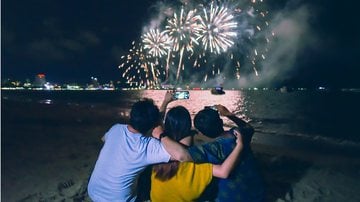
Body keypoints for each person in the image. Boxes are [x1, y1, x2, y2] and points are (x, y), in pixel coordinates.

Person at [87, 98, 192, 202]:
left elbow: (104, 139)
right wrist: (161, 134)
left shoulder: (116, 129)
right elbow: (183, 156)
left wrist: (165, 101)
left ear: (131, 115)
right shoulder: (147, 146)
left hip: (93, 192)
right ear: (154, 124)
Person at [150, 105, 244, 201]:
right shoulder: (196, 165)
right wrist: (240, 145)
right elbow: (223, 172)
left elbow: (157, 124)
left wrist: (165, 103)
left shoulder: (157, 152)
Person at [190, 105, 265, 202]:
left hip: (230, 198)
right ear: (221, 122)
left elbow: (182, 155)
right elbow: (249, 128)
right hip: (257, 194)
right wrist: (229, 115)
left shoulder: (211, 149)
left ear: (201, 133)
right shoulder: (238, 134)